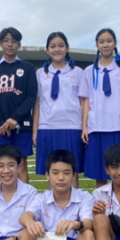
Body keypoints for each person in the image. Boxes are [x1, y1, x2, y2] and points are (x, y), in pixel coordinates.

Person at [79, 28, 120, 188]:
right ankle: (102, 202)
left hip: (118, 125)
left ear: (115, 43)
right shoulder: (89, 71)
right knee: (100, 172)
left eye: (109, 41)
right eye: (102, 42)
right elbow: (86, 101)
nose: (105, 45)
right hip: (97, 126)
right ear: (97, 45)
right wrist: (84, 127)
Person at [0, 27, 37, 184]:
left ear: (19, 44)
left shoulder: (27, 67)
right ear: (0, 44)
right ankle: (1, 198)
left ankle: (25, 198)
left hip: (22, 125)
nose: (10, 44)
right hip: (0, 128)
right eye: (6, 41)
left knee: (21, 164)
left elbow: (31, 96)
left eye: (14, 41)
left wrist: (15, 118)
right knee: (1, 164)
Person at [33, 32, 85, 188]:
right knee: (52, 171)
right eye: (53, 46)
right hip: (47, 127)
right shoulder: (40, 73)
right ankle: (52, 204)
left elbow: (83, 102)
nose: (57, 49)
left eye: (61, 45)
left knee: (71, 170)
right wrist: (35, 131)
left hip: (72, 127)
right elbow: (37, 103)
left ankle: (74, 203)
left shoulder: (78, 72)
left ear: (67, 48)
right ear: (47, 50)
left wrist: (84, 127)